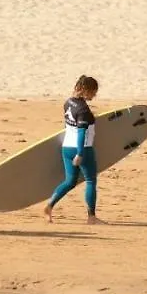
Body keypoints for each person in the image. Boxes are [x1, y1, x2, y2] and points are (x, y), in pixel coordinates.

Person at [44, 75, 103, 225]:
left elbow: (69, 124)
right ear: (85, 90)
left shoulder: (68, 102)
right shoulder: (83, 110)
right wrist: (80, 153)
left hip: (66, 147)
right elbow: (82, 133)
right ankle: (91, 217)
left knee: (70, 181)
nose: (94, 95)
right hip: (82, 148)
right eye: (93, 92)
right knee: (90, 181)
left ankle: (50, 205)